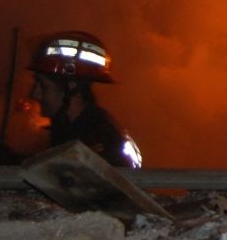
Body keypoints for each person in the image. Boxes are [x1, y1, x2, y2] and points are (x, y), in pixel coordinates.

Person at [26, 30, 143, 168]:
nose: (35, 94)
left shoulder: (99, 141)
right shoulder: (68, 131)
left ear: (72, 86)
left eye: (44, 86)